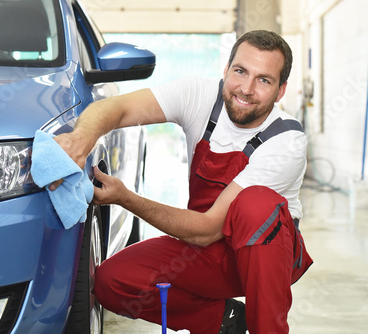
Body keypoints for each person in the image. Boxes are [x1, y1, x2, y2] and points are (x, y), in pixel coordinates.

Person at [53, 30, 313, 334]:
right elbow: (116, 108)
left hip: (260, 256)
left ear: (281, 91)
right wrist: (80, 140)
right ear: (226, 69)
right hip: (206, 250)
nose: (246, 88)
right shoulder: (199, 94)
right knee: (113, 282)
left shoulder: (286, 141)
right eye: (240, 71)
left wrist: (126, 198)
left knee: (256, 204)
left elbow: (206, 230)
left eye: (264, 80)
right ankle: (224, 321)